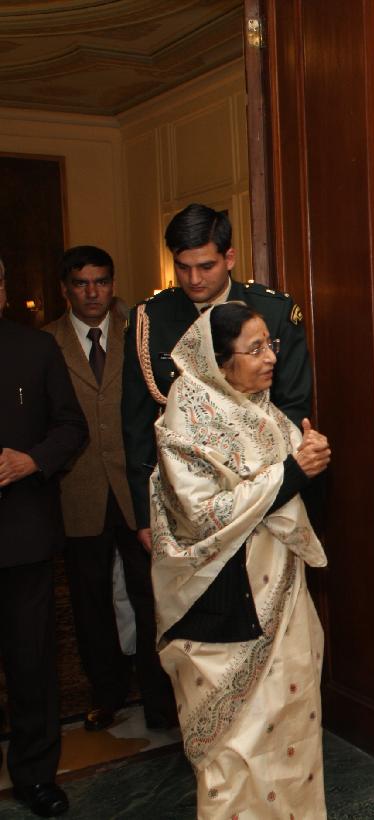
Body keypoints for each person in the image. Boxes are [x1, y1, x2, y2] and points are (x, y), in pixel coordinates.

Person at [150, 301, 330, 817]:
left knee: (289, 721)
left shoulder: (262, 409)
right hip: (223, 602)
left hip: (281, 589)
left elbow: (287, 484)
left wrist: (309, 457)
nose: (271, 357)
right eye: (254, 349)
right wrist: (292, 472)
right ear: (218, 362)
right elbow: (201, 513)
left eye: (269, 344)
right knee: (234, 745)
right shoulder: (189, 415)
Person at [122, 203, 313, 556]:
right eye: (183, 267)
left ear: (229, 258)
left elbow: (292, 405)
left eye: (206, 266)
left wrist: (267, 486)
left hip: (264, 496)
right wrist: (144, 514)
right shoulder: (150, 320)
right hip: (184, 501)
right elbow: (136, 426)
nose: (194, 279)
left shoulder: (273, 312)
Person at [42, 245, 176, 732]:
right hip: (77, 490)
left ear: (112, 285)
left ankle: (161, 701)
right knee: (90, 601)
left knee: (150, 596)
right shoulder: (46, 343)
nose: (92, 292)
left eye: (100, 282)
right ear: (66, 289)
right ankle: (107, 694)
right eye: (81, 284)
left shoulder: (137, 332)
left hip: (135, 487)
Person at [0, 254, 88, 817]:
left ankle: (35, 775)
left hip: (22, 535)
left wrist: (32, 461)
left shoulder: (35, 349)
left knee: (30, 661)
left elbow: (72, 426)